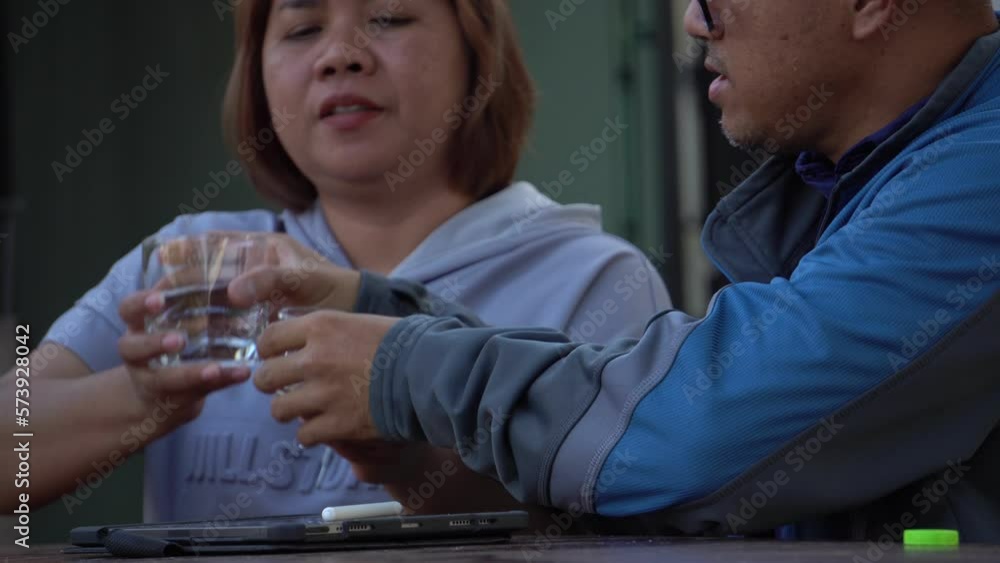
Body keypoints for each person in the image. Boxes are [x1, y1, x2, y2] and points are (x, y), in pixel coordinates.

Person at [209, 0, 1000, 543]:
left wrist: (404, 365)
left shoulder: (983, 171)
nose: (695, 20)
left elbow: (701, 433)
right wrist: (391, 318)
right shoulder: (867, 182)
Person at [0, 0, 670, 521]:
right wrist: (137, 399)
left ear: (477, 52)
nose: (340, 56)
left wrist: (407, 450)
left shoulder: (593, 278)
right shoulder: (189, 263)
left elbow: (627, 520)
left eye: (389, 18)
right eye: (301, 29)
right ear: (256, 76)